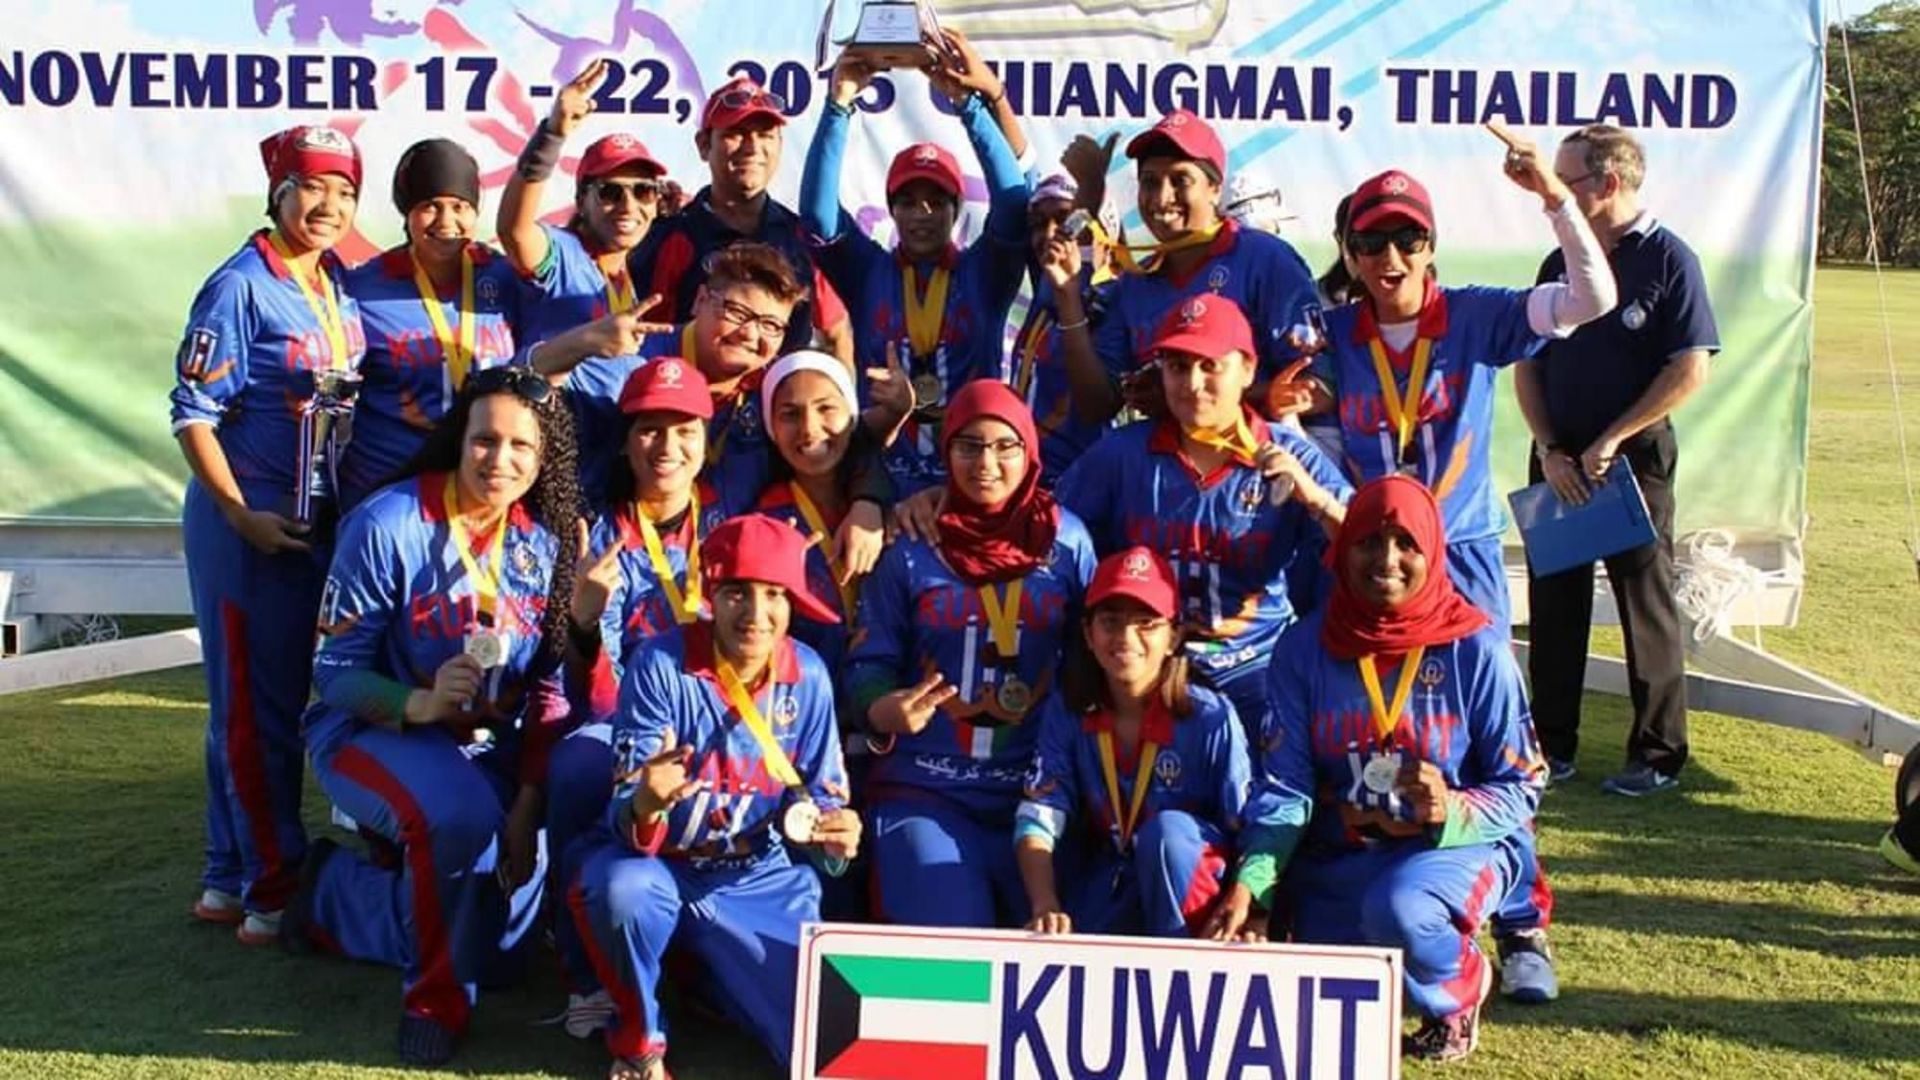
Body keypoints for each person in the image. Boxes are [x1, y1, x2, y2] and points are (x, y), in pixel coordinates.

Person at [1312, 127, 1618, 1001]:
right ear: (1351, 251)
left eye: (1408, 238)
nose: (1391, 256)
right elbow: (1322, 448)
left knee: (1496, 750)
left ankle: (1524, 925)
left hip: (1465, 558)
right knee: (1376, 738)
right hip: (1370, 561)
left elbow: (1592, 299)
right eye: (1372, 242)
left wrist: (1552, 199)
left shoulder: (1477, 313)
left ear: (1431, 245)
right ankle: (1397, 896)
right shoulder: (1335, 334)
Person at [286, 365, 581, 1066]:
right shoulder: (388, 523)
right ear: (460, 437)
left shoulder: (546, 544)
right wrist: (416, 702)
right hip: (369, 732)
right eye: (485, 440)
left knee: (503, 952)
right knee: (458, 822)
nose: (500, 460)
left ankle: (330, 897)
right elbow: (333, 675)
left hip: (483, 749)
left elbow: (546, 688)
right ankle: (434, 1002)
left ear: (545, 459)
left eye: (521, 447)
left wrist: (529, 804)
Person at [1241, 475, 1546, 1064]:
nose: (1386, 560)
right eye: (1368, 541)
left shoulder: (1476, 651)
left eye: (1406, 543)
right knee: (1321, 971)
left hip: (1456, 850)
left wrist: (1454, 808)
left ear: (1432, 552)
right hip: (1346, 849)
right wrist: (1255, 881)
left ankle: (1459, 990)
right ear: (1343, 546)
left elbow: (1525, 784)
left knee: (1401, 909)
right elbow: (1285, 785)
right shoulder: (1304, 649)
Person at [568, 515, 859, 1080]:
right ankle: (639, 1043)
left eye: (774, 595)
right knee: (621, 890)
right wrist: (647, 802)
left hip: (756, 875)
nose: (755, 614)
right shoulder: (660, 664)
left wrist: (837, 839)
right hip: (659, 866)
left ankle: (699, 982)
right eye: (737, 594)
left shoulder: (811, 675)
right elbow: (626, 819)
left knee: (821, 1049)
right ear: (711, 596)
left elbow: (825, 802)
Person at [170, 124, 367, 945]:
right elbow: (193, 415)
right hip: (246, 523)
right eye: (312, 187)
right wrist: (237, 513)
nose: (328, 205)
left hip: (306, 521)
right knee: (256, 712)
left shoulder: (334, 281)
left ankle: (225, 874)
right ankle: (271, 885)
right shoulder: (240, 285)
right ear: (278, 191)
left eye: (344, 191)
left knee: (255, 703)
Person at [1515, 124, 1719, 798]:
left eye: (1566, 182)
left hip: (1631, 463)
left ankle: (1658, 754)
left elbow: (1690, 368)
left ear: (1607, 182)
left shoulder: (1667, 260)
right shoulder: (1560, 261)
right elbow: (1528, 363)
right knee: (1555, 605)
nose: (1556, 195)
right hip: (1561, 462)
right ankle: (1551, 746)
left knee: (1644, 603)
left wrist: (1614, 439)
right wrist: (1552, 448)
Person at [846, 381, 1096, 927]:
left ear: (1029, 452)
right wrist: (884, 709)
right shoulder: (911, 543)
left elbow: (1092, 659)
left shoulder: (1069, 542)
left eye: (1005, 446)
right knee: (951, 952)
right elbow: (869, 663)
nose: (986, 462)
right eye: (969, 446)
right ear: (946, 452)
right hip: (927, 789)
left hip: (1038, 794)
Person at [1055, 296, 1349, 741]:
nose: (1192, 384)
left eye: (1210, 366)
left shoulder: (1292, 455)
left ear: (1248, 370)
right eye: (1177, 366)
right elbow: (1046, 529)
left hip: (1254, 669)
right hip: (1144, 669)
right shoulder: (1122, 454)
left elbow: (1370, 547)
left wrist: (1314, 498)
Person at [544, 357, 733, 1035]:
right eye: (649, 430)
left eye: (683, 430)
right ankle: (583, 973)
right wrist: (585, 620)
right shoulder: (594, 530)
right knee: (576, 769)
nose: (666, 447)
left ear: (706, 442)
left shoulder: (730, 521)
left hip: (730, 722)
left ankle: (707, 963)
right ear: (625, 441)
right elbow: (589, 688)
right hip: (621, 721)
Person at [801, 34, 1029, 492]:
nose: (921, 214)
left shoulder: (982, 274)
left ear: (955, 210)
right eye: (907, 201)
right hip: (882, 482)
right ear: (892, 210)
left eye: (935, 201)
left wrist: (967, 104)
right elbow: (818, 217)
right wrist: (839, 105)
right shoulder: (869, 272)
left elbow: (1013, 202)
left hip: (970, 481)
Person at [1015, 546, 1271, 939]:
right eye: (1110, 621)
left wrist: (1251, 910)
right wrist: (1045, 904)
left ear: (1174, 637)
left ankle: (1184, 963)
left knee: (1165, 836)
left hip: (1192, 885)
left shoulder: (1210, 717)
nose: (1125, 637)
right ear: (1088, 633)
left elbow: (1247, 823)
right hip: (1113, 874)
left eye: (1146, 623)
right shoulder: (1069, 709)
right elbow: (1041, 813)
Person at [1053, 109, 1321, 424]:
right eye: (1149, 182)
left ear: (1215, 189)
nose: (1161, 198)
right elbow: (1097, 407)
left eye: (1180, 180)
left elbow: (1314, 385)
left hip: (1257, 458)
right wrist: (1067, 294)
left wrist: (1176, 400)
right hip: (1165, 464)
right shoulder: (1136, 283)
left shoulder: (1266, 259)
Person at [340, 138, 524, 510]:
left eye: (460, 206)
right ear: (407, 212)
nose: (447, 222)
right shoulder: (361, 289)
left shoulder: (505, 278)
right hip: (387, 494)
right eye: (429, 206)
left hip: (480, 492)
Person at [627, 74, 854, 362]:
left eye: (765, 135)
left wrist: (843, 403)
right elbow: (648, 339)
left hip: (778, 404)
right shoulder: (668, 236)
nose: (752, 147)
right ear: (703, 145)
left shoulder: (803, 237)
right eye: (736, 133)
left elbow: (837, 332)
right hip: (690, 401)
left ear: (780, 145)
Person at [498, 60, 671, 344]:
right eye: (610, 192)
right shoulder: (562, 255)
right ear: (581, 200)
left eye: (643, 191)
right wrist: (552, 135)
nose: (628, 205)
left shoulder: (629, 273)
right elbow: (514, 230)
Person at [1016, 172, 1117, 482]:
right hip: (1026, 481)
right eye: (1037, 225)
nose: (1049, 234)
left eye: (1065, 221)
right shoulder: (1046, 289)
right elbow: (1019, 170)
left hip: (1078, 488)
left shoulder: (1114, 301)